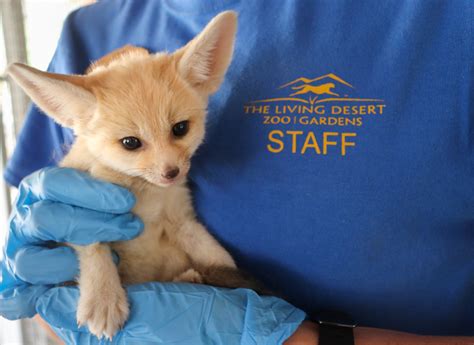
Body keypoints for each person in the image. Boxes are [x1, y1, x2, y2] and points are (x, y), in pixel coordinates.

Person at [1, 0, 473, 344]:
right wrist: (52, 293)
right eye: (132, 145)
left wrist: (305, 341)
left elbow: (182, 224)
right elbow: (64, 313)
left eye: (180, 131)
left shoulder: (453, 21)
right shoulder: (91, 29)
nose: (168, 166)